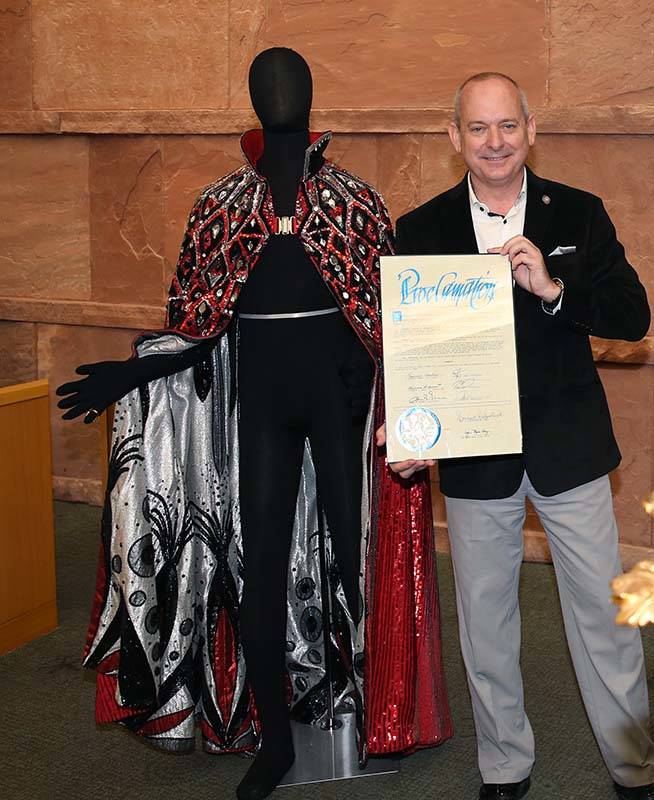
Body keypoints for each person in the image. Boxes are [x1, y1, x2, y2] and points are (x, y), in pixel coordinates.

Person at [58, 48, 452, 800]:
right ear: (251, 97)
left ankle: (373, 711)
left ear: (310, 95)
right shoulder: (221, 205)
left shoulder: (355, 201)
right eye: (268, 81)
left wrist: (421, 405)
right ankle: (273, 739)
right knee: (260, 566)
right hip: (263, 405)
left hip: (341, 397)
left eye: (293, 79)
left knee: (355, 560)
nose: (281, 92)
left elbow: (393, 317)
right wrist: (131, 371)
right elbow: (196, 318)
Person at [380, 72, 654, 800]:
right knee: (486, 623)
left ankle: (635, 765)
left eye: (507, 126)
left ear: (530, 131)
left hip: (570, 449)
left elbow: (633, 316)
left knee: (606, 616)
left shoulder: (580, 214)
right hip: (474, 460)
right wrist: (410, 426)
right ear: (454, 138)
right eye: (478, 128)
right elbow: (412, 354)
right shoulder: (422, 229)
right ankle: (505, 765)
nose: (494, 142)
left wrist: (555, 292)